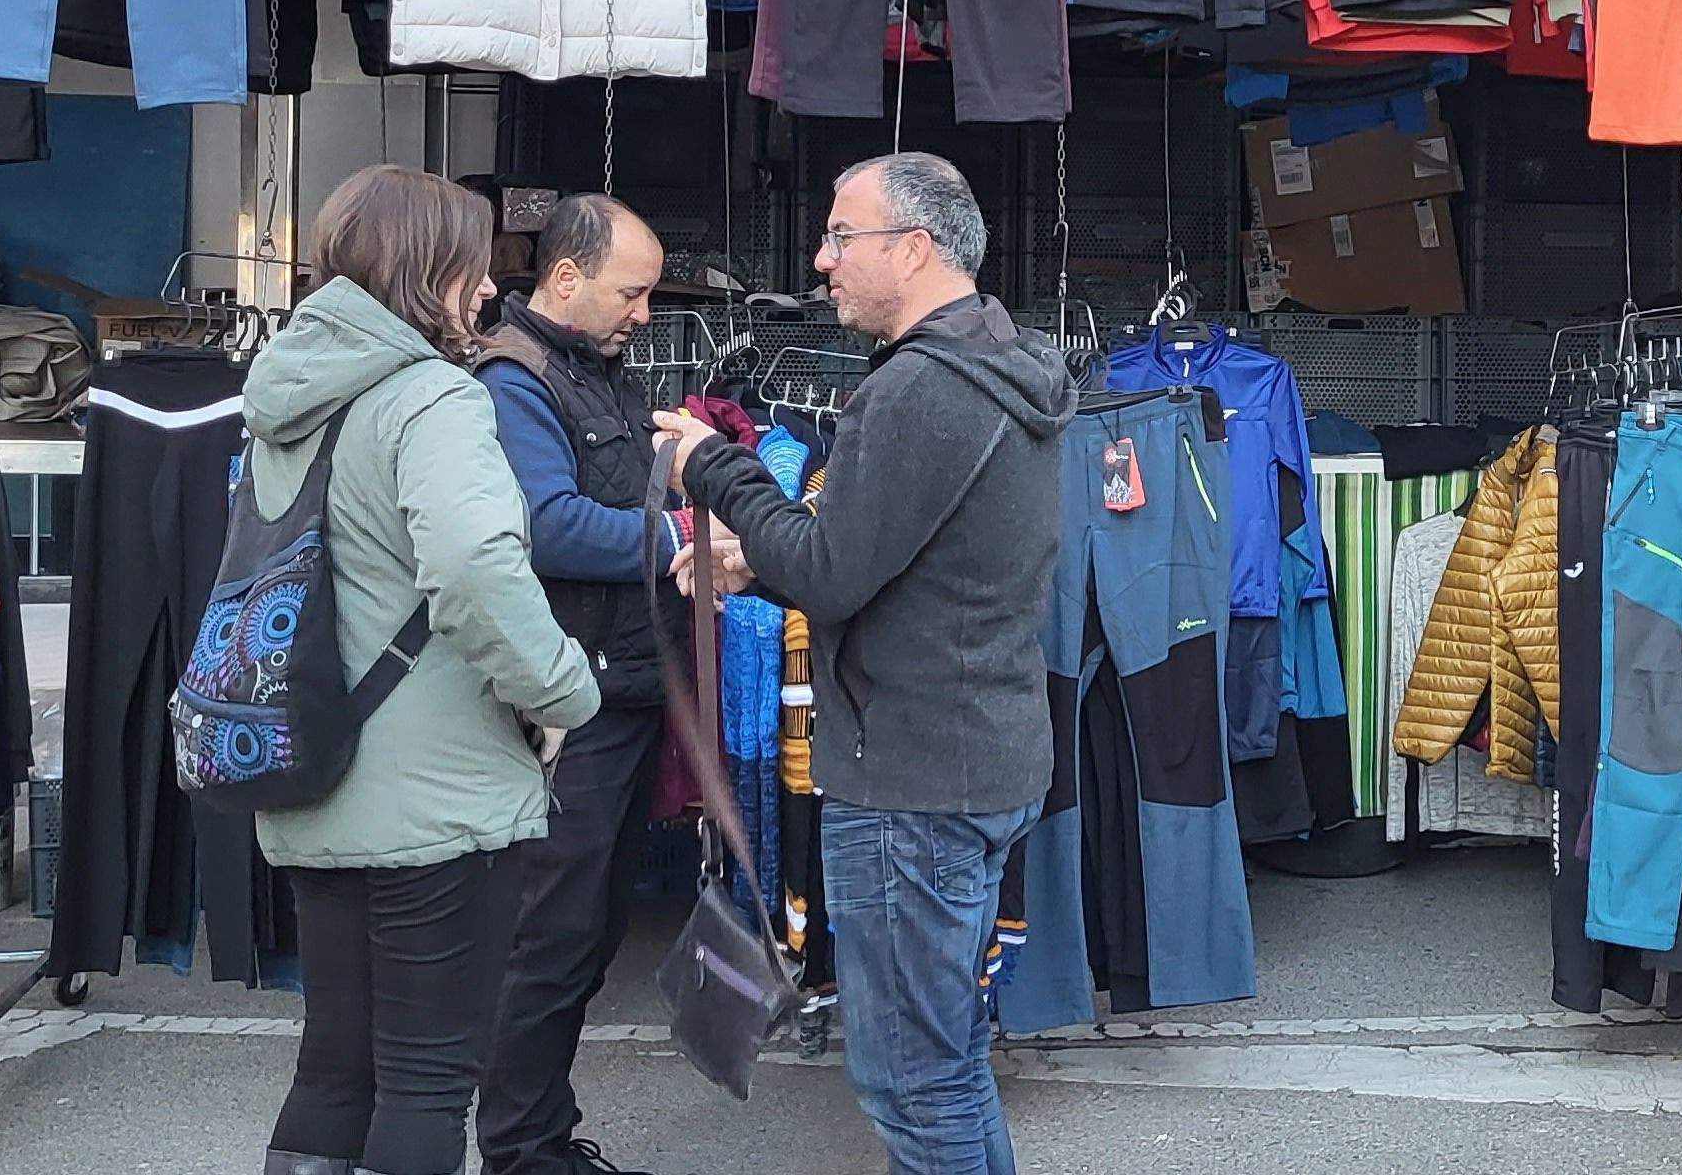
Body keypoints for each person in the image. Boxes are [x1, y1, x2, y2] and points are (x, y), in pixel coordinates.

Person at [655, 151, 1072, 1175]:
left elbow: (837, 572)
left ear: (914, 248)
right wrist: (756, 562)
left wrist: (715, 467)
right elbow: (904, 561)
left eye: (842, 236)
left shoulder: (923, 389)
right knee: (947, 1060)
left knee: (911, 1076)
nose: (821, 258)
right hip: (972, 755)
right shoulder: (994, 367)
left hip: (912, 783)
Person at [249, 166, 601, 1175]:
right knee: (426, 1081)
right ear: (425, 270)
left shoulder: (289, 392)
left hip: (317, 759)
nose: (490, 288)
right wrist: (563, 690)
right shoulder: (431, 399)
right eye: (471, 266)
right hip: (433, 789)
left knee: (333, 1070)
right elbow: (472, 565)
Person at [466, 194, 681, 1175]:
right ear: (565, 279)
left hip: (625, 691)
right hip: (569, 710)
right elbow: (545, 525)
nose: (644, 310)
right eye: (631, 291)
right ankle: (520, 1154)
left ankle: (542, 1138)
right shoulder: (517, 381)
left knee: (586, 933)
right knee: (551, 939)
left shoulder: (596, 372)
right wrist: (683, 538)